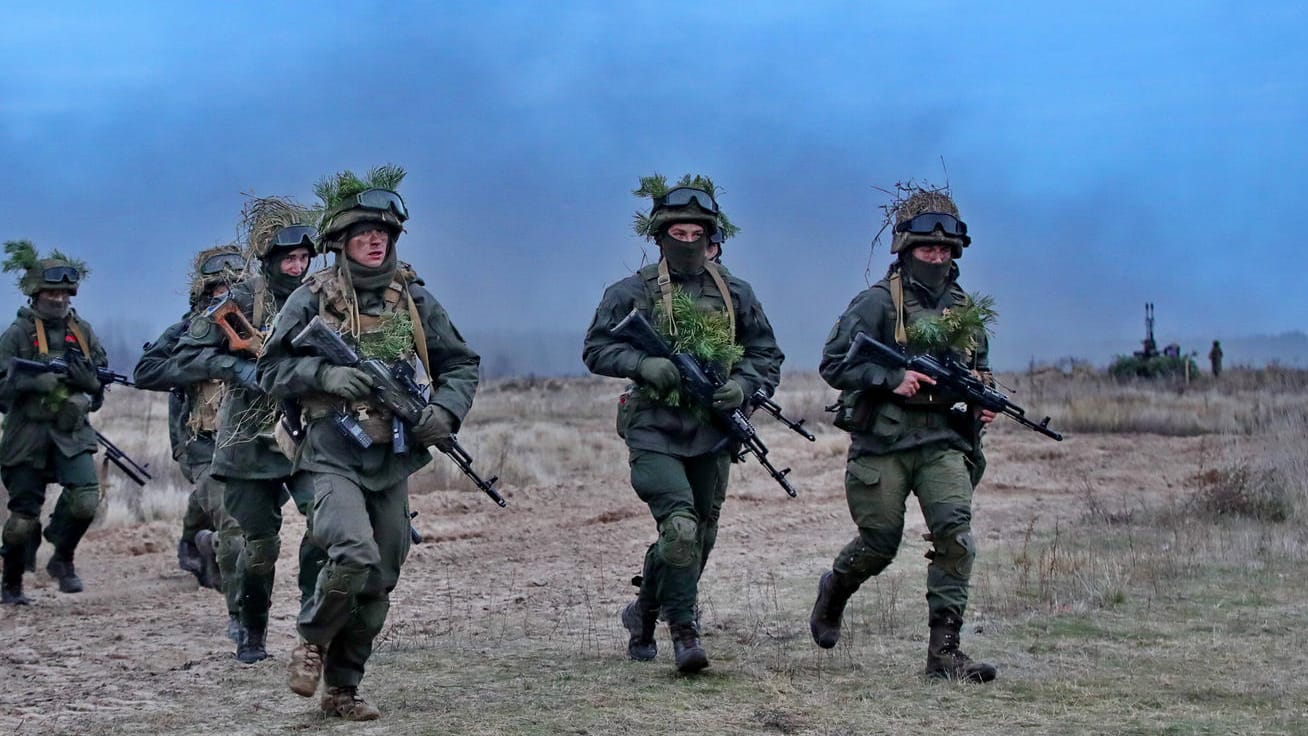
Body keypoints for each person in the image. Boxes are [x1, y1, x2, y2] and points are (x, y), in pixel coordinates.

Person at [260, 166, 480, 720]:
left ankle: (343, 688)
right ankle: (311, 641)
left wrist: (445, 411)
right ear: (341, 244)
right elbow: (269, 371)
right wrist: (324, 376)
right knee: (352, 553)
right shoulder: (312, 298)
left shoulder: (415, 299)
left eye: (382, 233)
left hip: (392, 456)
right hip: (330, 452)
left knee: (381, 576)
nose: (375, 240)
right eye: (362, 234)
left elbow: (461, 363)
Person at [583, 183, 784, 673]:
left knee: (700, 538)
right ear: (660, 235)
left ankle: (644, 611)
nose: (689, 240)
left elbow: (766, 355)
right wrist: (643, 364)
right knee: (679, 528)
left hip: (712, 433)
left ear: (712, 236)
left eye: (698, 232)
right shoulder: (632, 291)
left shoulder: (736, 293)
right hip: (654, 428)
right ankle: (685, 631)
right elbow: (596, 349)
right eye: (679, 231)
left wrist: (742, 386)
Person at [809, 190, 999, 682]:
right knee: (879, 543)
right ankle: (835, 590)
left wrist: (983, 395)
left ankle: (945, 654)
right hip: (884, 442)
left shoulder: (966, 312)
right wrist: (889, 379)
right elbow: (833, 363)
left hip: (942, 442)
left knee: (956, 537)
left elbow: (981, 367)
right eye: (926, 250)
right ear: (905, 250)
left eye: (944, 251)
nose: (936, 258)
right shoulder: (875, 304)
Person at [172, 201, 325, 663]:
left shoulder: (323, 296)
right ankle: (249, 630)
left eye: (304, 258)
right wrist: (239, 369)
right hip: (246, 442)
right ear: (268, 260)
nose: (297, 268)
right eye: (288, 259)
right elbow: (178, 358)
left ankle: (314, 629)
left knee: (326, 528)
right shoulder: (238, 300)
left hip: (304, 435)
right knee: (256, 549)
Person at [133, 244, 247, 639]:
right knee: (235, 526)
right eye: (219, 289)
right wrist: (210, 363)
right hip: (202, 444)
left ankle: (201, 542)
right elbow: (145, 372)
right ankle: (243, 621)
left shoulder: (258, 326)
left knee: (252, 525)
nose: (227, 295)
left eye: (236, 287)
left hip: (254, 445)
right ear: (203, 293)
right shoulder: (188, 330)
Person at [0, 241, 109, 603]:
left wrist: (91, 386)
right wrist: (32, 382)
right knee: (20, 521)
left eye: (64, 292)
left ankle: (62, 556)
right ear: (35, 293)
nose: (58, 299)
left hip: (70, 430)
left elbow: (99, 386)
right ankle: (12, 583)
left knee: (85, 502)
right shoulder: (16, 335)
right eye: (50, 291)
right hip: (26, 434)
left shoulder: (84, 332)